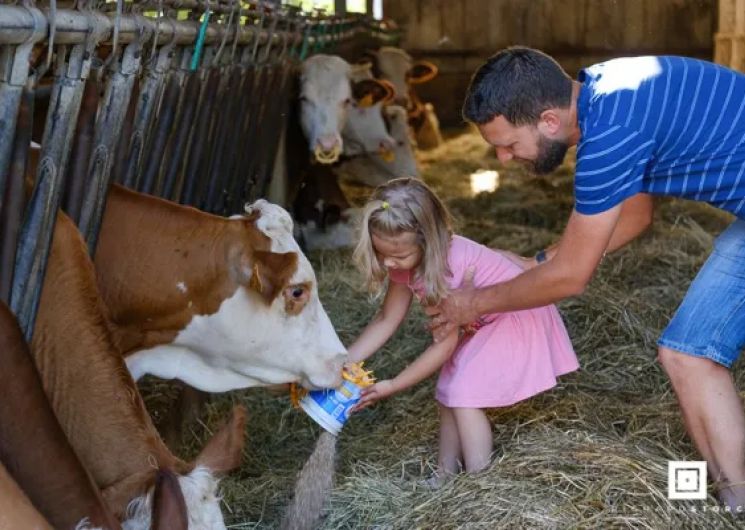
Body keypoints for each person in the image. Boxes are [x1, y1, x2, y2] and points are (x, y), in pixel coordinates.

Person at [431, 46, 745, 508]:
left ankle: (737, 502)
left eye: (509, 144)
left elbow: (571, 278)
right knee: (685, 354)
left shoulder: (608, 138)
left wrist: (472, 304)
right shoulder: (604, 91)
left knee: (691, 355)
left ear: (549, 121)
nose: (502, 158)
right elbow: (635, 215)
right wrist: (533, 264)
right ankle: (732, 502)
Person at [347, 177, 578, 478]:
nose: (389, 263)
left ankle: (480, 481)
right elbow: (387, 318)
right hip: (483, 323)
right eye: (381, 254)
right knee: (448, 391)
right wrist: (342, 360)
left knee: (463, 391)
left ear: (428, 241)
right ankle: (445, 474)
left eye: (399, 256)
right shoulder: (406, 265)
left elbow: (444, 345)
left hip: (516, 318)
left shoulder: (449, 267)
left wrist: (394, 385)